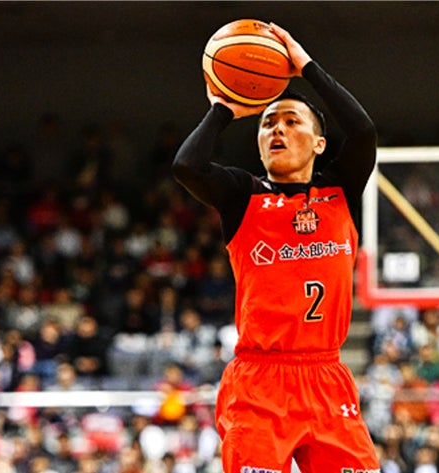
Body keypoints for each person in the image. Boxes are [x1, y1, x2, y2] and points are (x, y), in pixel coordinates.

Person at [172, 22, 380, 473]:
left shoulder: (340, 191)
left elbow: (363, 132)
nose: (277, 130)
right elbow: (187, 165)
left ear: (320, 143)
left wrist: (307, 68)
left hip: (326, 376)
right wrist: (223, 108)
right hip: (260, 380)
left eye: (291, 121)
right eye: (268, 123)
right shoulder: (242, 195)